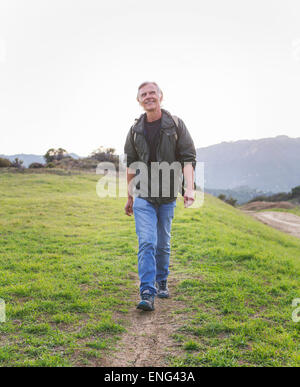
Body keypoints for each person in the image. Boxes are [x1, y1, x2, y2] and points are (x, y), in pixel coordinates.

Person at [124, 81, 196, 311]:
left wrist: (189, 188)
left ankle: (161, 279)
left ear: (160, 96)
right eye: (143, 94)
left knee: (162, 244)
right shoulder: (135, 130)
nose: (148, 97)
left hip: (167, 194)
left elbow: (187, 158)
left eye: (152, 92)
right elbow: (131, 165)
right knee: (147, 241)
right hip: (143, 194)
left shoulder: (175, 124)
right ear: (139, 100)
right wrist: (129, 197)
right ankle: (147, 290)